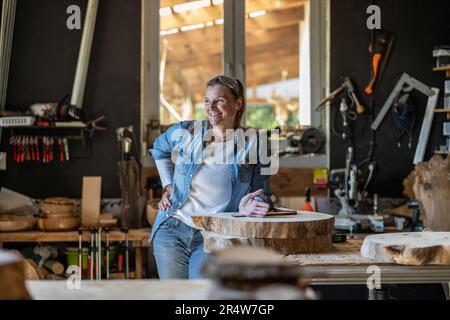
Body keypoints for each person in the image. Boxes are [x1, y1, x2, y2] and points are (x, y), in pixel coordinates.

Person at [149, 75, 272, 279]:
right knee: (174, 296)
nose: (211, 108)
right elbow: (159, 149)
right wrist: (168, 185)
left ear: (238, 103)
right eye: (207, 101)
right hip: (172, 228)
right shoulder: (187, 131)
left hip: (214, 233)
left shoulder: (255, 143)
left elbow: (263, 193)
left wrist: (249, 207)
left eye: (220, 101)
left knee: (203, 295)